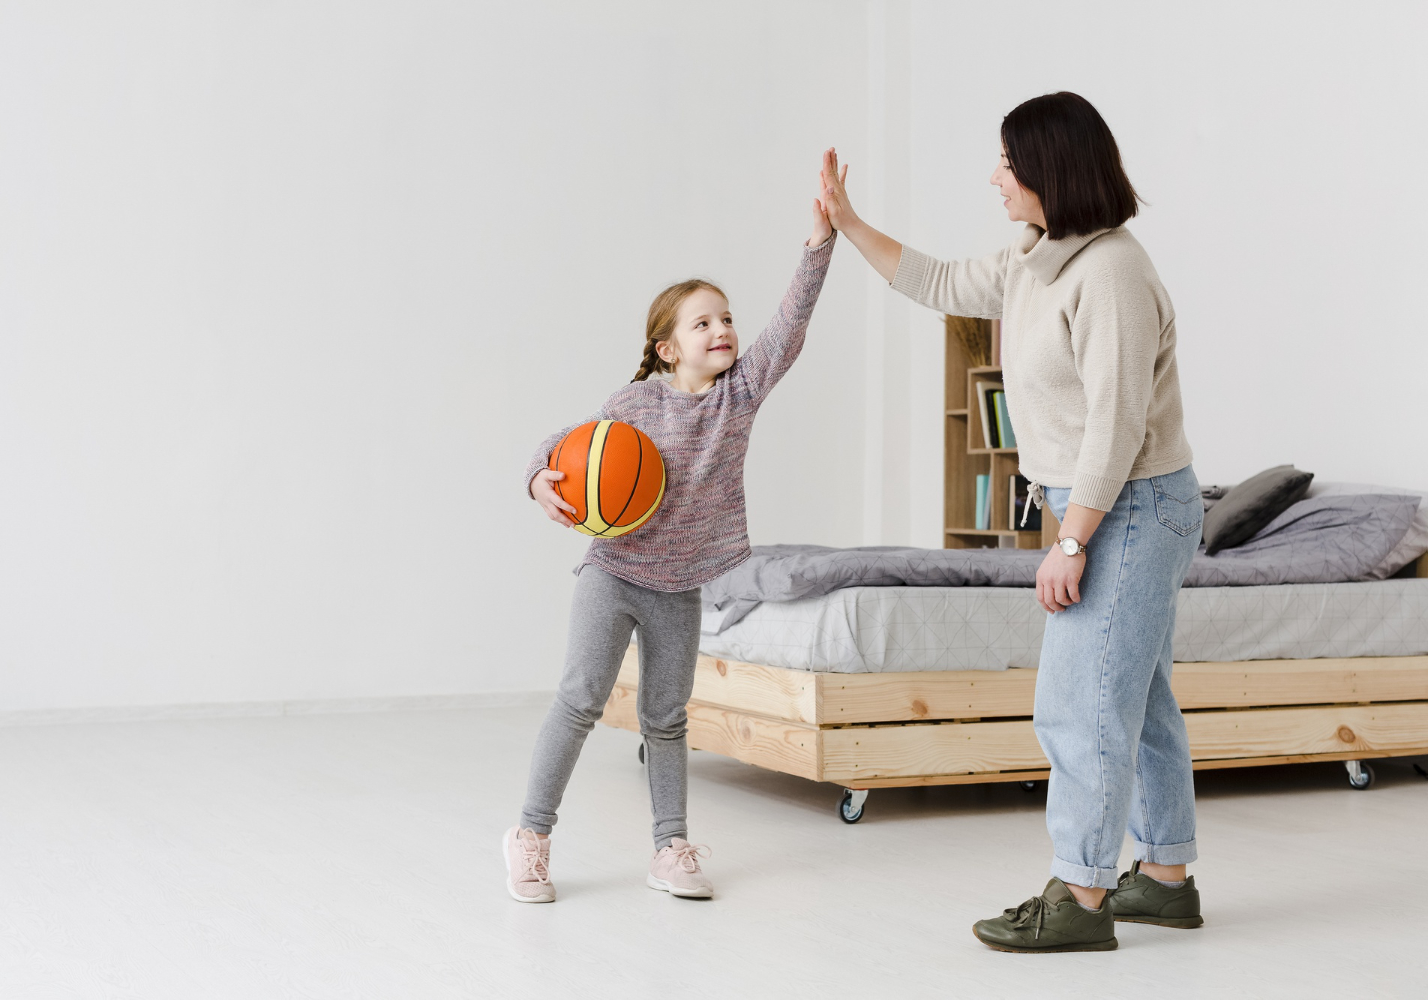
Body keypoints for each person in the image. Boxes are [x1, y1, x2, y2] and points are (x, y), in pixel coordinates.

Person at [820, 92, 1204, 952]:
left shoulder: (1110, 272)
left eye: (1006, 160)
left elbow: (1117, 422)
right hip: (1107, 503)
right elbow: (939, 281)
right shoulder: (1038, 256)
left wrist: (1071, 541)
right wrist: (848, 223)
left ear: (1049, 170)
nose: (994, 175)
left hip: (1129, 506)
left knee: (1079, 706)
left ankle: (1081, 894)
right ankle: (1167, 878)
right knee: (1136, 701)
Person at [503, 185, 836, 903]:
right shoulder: (633, 406)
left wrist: (818, 245)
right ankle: (530, 836)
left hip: (679, 585)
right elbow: (561, 446)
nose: (721, 329)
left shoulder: (738, 396)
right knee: (581, 696)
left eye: (725, 318)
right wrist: (537, 478)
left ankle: (670, 847)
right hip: (614, 573)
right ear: (666, 347)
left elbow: (791, 324)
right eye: (701, 322)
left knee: (666, 717)